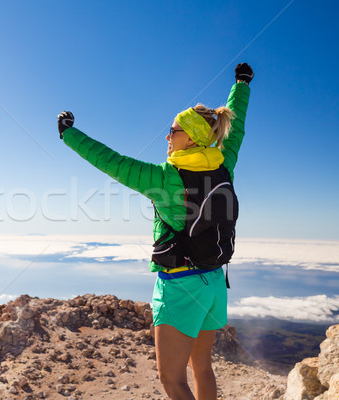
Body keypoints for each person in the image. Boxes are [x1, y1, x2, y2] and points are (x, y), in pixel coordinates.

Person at [57, 63, 253, 400]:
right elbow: (235, 125)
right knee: (202, 367)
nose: (167, 136)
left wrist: (68, 134)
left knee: (171, 380)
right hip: (215, 281)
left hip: (180, 284)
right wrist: (242, 85)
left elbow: (111, 162)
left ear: (190, 136)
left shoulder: (164, 178)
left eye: (173, 130)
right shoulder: (223, 163)